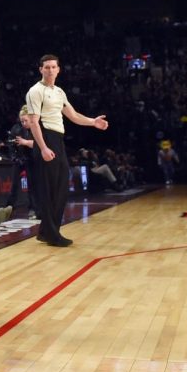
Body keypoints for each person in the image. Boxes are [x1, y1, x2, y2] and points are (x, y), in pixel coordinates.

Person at [25, 54, 109, 247]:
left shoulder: (59, 92)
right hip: (46, 138)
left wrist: (93, 122)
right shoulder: (35, 91)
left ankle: (46, 231)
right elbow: (33, 122)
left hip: (58, 139)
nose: (50, 70)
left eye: (53, 67)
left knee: (61, 188)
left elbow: (73, 115)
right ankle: (52, 234)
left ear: (58, 69)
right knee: (50, 190)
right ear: (40, 69)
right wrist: (43, 147)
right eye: (46, 67)